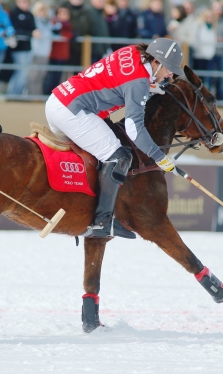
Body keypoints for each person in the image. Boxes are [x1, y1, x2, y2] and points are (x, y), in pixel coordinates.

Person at [45, 38, 184, 239]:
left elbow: (120, 80)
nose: (170, 74)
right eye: (169, 68)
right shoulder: (138, 85)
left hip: (58, 99)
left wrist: (150, 86)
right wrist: (159, 157)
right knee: (120, 157)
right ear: (156, 61)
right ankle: (102, 222)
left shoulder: (133, 51)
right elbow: (134, 129)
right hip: (73, 111)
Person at [7, 0, 37, 95]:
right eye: (23, 2)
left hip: (27, 47)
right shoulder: (14, 13)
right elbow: (15, 29)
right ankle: (13, 93)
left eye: (27, 2)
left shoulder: (29, 15)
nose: (26, 4)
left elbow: (33, 28)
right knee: (21, 71)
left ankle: (18, 92)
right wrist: (30, 33)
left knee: (25, 71)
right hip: (18, 48)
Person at [43, 5, 75, 94]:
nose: (63, 15)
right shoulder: (54, 23)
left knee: (58, 77)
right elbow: (56, 34)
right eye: (61, 13)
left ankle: (54, 94)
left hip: (62, 55)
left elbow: (70, 35)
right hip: (52, 54)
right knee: (50, 76)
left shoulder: (69, 25)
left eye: (65, 13)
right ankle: (46, 94)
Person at [26, 1, 57, 95]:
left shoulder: (48, 23)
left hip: (45, 52)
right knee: (33, 76)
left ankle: (37, 96)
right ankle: (31, 95)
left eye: (44, 11)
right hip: (35, 52)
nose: (42, 13)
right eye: (40, 11)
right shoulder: (33, 21)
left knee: (42, 75)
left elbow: (53, 34)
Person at [192, 8, 217, 89]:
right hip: (200, 55)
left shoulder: (213, 28)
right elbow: (196, 39)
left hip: (210, 56)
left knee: (208, 79)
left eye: (211, 16)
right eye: (207, 16)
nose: (209, 18)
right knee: (199, 79)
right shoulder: (199, 26)